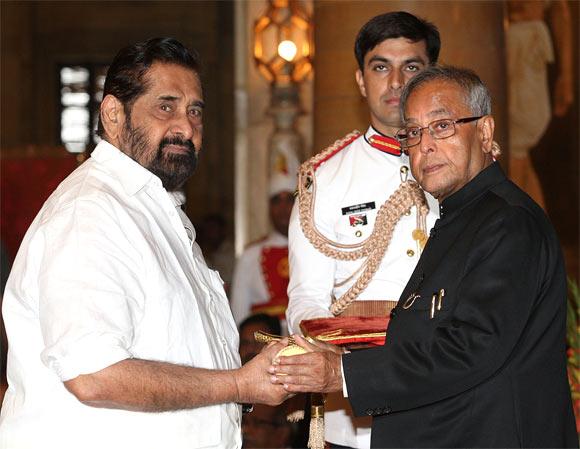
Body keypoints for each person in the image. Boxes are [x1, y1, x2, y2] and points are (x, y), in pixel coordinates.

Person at [0, 37, 288, 449]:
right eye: (165, 107)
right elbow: (94, 375)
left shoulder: (154, 211)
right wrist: (239, 384)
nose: (186, 127)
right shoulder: (92, 211)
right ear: (114, 115)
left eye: (195, 111)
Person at [271, 65, 578, 448]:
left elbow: (471, 347)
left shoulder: (508, 222)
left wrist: (344, 373)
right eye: (413, 133)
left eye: (442, 126)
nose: (425, 145)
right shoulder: (460, 218)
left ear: (484, 132)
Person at [285, 11, 440, 448]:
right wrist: (326, 351)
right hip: (356, 413)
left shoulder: (463, 170)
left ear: (435, 77)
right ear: (360, 81)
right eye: (380, 67)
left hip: (449, 397)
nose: (396, 82)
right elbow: (306, 297)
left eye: (412, 66)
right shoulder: (325, 180)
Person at [506, 0, 574, 209]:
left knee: (511, 165)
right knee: (520, 164)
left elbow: (559, 10)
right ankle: (543, 240)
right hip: (513, 52)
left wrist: (566, 76)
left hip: (524, 53)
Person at [231, 174, 295, 330]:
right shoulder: (251, 254)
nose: (283, 208)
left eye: (289, 200)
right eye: (276, 201)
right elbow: (239, 311)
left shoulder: (314, 249)